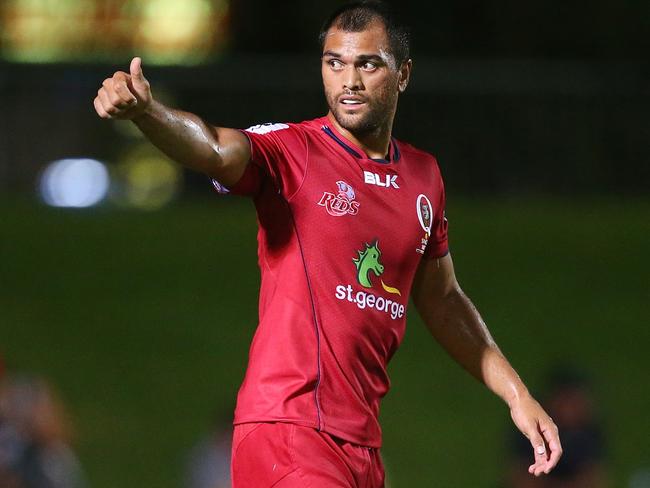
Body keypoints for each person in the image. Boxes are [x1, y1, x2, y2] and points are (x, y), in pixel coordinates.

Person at [94, 1, 562, 486]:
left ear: (402, 74)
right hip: (287, 429)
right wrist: (148, 113)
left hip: (360, 445)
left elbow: (442, 297)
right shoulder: (294, 151)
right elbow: (214, 147)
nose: (349, 81)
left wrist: (516, 394)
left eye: (368, 64)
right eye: (334, 62)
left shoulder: (423, 178)